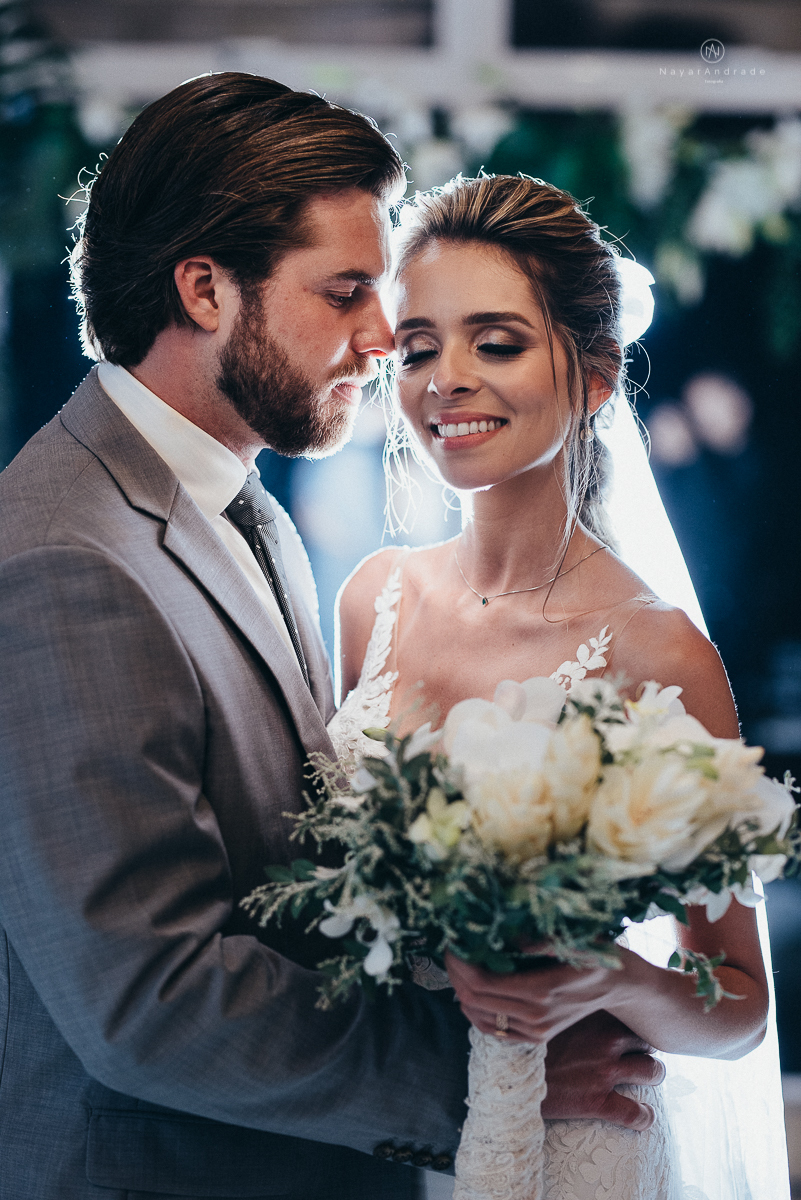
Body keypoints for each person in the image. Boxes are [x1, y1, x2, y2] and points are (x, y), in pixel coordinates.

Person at [0, 78, 663, 1200]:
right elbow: (146, 999)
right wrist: (489, 1075)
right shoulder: (67, 560)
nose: (381, 338)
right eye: (347, 291)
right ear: (206, 289)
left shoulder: (241, 508)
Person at [334, 174, 785, 1198]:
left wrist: (616, 979)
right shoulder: (371, 600)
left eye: (495, 343)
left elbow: (742, 1003)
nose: (446, 379)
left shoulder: (659, 656)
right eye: (417, 349)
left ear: (592, 379)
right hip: (394, 1136)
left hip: (582, 1145)